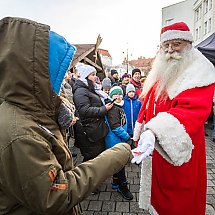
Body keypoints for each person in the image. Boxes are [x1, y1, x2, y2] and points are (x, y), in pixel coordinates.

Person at [0, 17, 133, 215]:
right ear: (36, 76)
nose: (65, 79)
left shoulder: (31, 110)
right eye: (58, 73)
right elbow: (55, 196)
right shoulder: (20, 134)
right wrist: (117, 155)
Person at [131, 22, 215, 215]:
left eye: (176, 44)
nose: (170, 50)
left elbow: (191, 110)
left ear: (188, 43)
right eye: (166, 46)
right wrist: (142, 127)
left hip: (181, 151)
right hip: (157, 150)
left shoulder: (200, 73)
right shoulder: (162, 71)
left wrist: (155, 131)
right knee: (158, 192)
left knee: (179, 201)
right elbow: (149, 101)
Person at [73, 63, 113, 163]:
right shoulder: (80, 91)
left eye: (95, 74)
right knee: (91, 160)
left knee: (96, 157)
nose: (96, 77)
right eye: (93, 75)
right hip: (88, 132)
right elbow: (84, 110)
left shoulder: (91, 88)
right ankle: (88, 178)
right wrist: (104, 109)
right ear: (86, 76)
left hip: (94, 129)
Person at [105, 86, 133, 200]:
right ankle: (123, 186)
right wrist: (127, 137)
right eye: (116, 94)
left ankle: (115, 183)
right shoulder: (113, 108)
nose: (119, 96)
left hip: (118, 139)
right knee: (120, 164)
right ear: (111, 96)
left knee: (117, 164)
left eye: (120, 94)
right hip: (114, 140)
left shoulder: (118, 106)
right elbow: (115, 127)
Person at [123, 83, 141, 149]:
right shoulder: (123, 102)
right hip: (127, 129)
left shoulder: (138, 102)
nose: (131, 93)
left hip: (136, 128)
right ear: (127, 93)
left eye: (133, 91)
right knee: (128, 146)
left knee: (136, 146)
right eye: (130, 92)